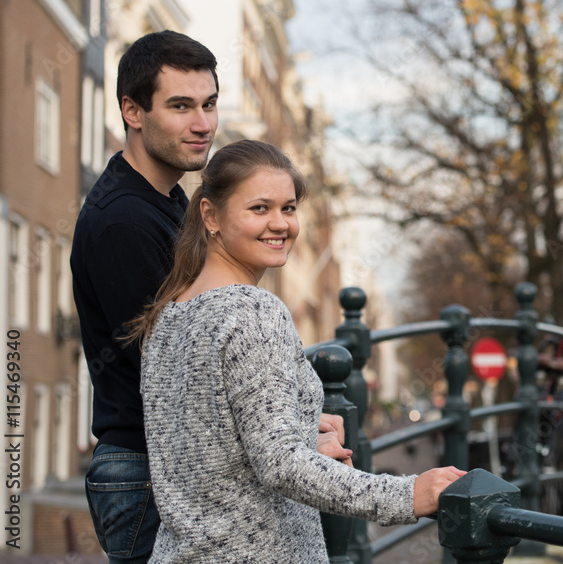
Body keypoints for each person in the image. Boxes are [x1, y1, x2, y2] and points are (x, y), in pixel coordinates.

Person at [126, 140, 465, 562]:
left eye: (288, 208)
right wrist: (409, 493)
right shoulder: (254, 310)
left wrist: (301, 427)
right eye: (259, 208)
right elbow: (282, 466)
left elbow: (208, 446)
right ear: (210, 215)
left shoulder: (166, 316)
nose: (280, 223)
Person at [70, 30, 220, 563]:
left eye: (208, 104)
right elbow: (172, 372)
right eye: (181, 106)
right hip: (147, 473)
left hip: (164, 466)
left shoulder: (167, 201)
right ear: (133, 111)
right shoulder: (123, 222)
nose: (202, 124)